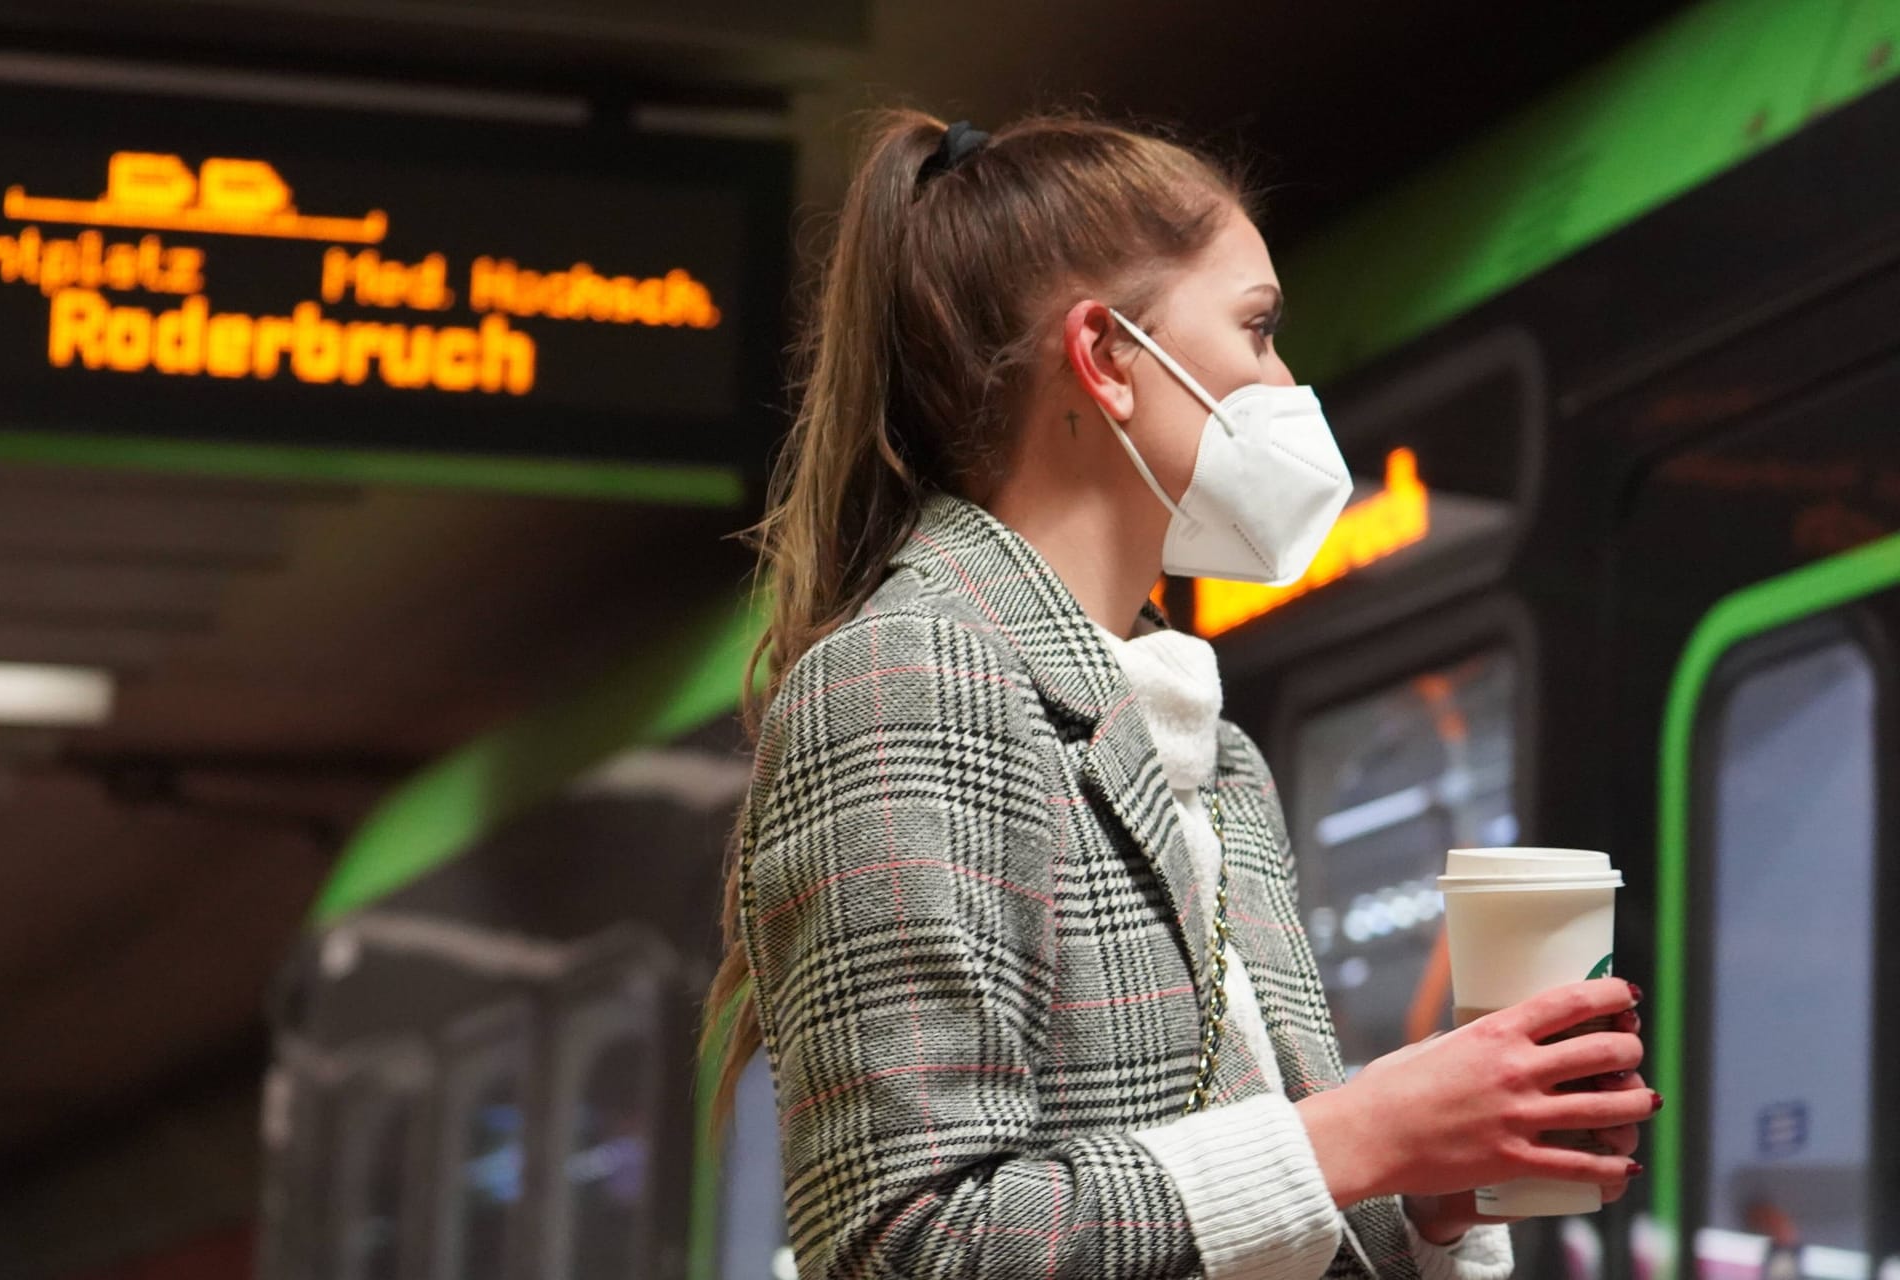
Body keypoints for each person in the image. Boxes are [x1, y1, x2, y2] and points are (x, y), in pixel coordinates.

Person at [704, 108, 1653, 1280]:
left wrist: (1425, 1194)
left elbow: (1247, 1194)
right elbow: (902, 1243)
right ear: (1105, 356)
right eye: (1257, 330)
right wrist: (1363, 1131)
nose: (1286, 382)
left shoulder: (1209, 749)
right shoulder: (905, 677)